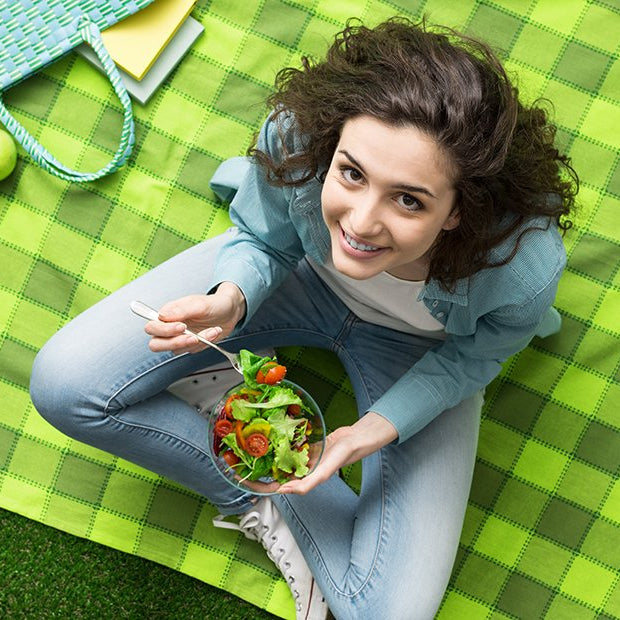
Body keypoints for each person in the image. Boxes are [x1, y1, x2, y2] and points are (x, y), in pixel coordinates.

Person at [30, 17, 577, 620]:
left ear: (458, 210)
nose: (362, 223)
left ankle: (259, 463)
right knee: (64, 385)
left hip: (423, 351)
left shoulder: (521, 264)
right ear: (331, 147)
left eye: (409, 199)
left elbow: (476, 357)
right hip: (295, 281)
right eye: (351, 174)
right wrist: (230, 300)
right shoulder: (298, 134)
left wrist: (372, 430)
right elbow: (262, 237)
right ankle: (253, 474)